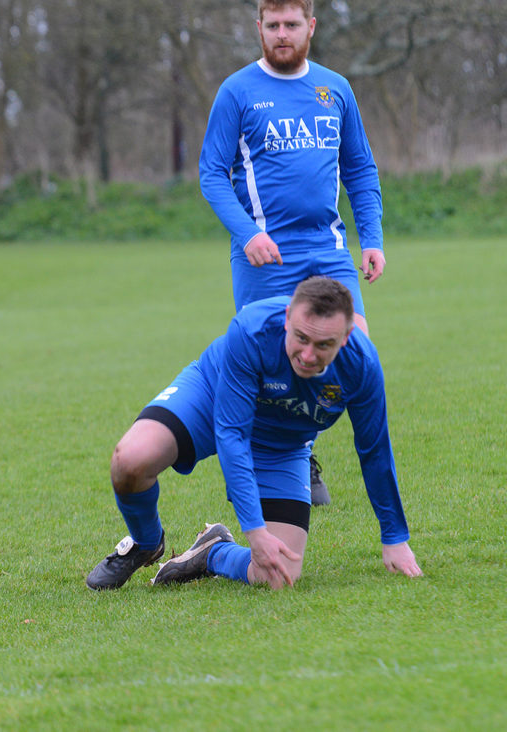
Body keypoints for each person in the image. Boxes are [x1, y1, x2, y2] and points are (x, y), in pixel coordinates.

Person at [85, 277, 422, 592]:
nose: (307, 355)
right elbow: (232, 433)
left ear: (346, 337)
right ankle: (145, 542)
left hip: (282, 446)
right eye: (301, 338)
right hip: (213, 396)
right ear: (288, 317)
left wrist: (394, 537)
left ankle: (213, 552)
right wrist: (255, 529)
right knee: (130, 460)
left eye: (324, 345)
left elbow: (374, 449)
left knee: (279, 574)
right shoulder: (252, 330)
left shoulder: (361, 364)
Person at [198, 0, 387, 506]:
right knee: (272, 362)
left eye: (292, 24)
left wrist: (371, 238)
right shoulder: (237, 92)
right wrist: (247, 234)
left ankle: (310, 444)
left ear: (311, 27)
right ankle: (286, 458)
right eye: (273, 25)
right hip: (265, 256)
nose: (283, 34)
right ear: (259, 28)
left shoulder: (335, 89)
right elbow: (212, 174)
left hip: (328, 252)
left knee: (356, 350)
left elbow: (361, 171)